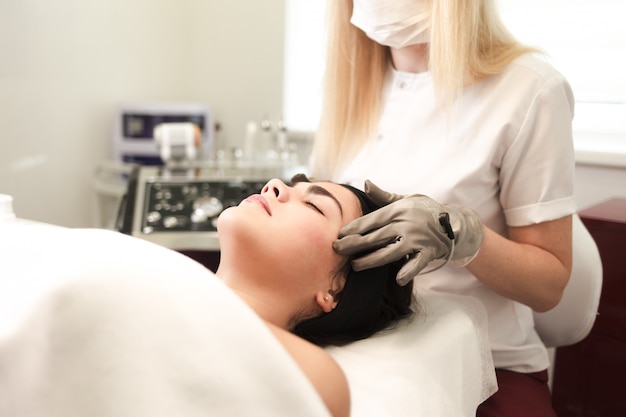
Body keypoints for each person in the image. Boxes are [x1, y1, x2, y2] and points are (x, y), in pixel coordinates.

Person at [310, 1, 575, 416]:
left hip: (488, 362)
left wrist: (461, 237)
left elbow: (549, 286)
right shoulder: (351, 84)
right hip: (367, 350)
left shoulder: (530, 89)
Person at [215, 173, 415, 417]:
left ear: (335, 289)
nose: (274, 185)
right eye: (292, 186)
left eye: (314, 205)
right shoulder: (165, 272)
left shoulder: (312, 379)